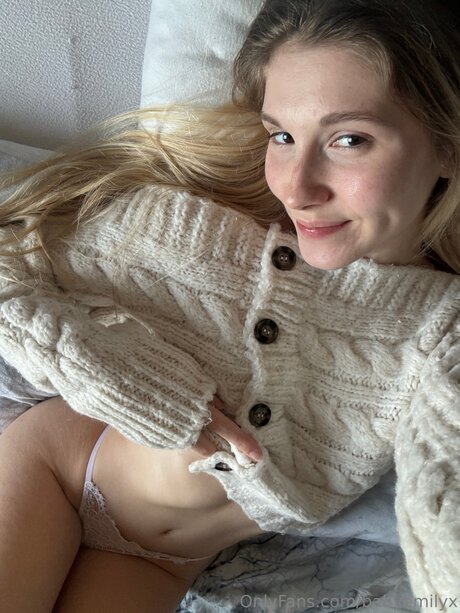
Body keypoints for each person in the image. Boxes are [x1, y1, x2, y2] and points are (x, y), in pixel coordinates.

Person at [0, 0, 459, 610]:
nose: (297, 186)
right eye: (282, 136)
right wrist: (120, 377)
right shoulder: (195, 231)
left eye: (349, 139)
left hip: (167, 562)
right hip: (56, 471)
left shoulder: (442, 326)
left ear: (447, 145)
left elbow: (444, 497)